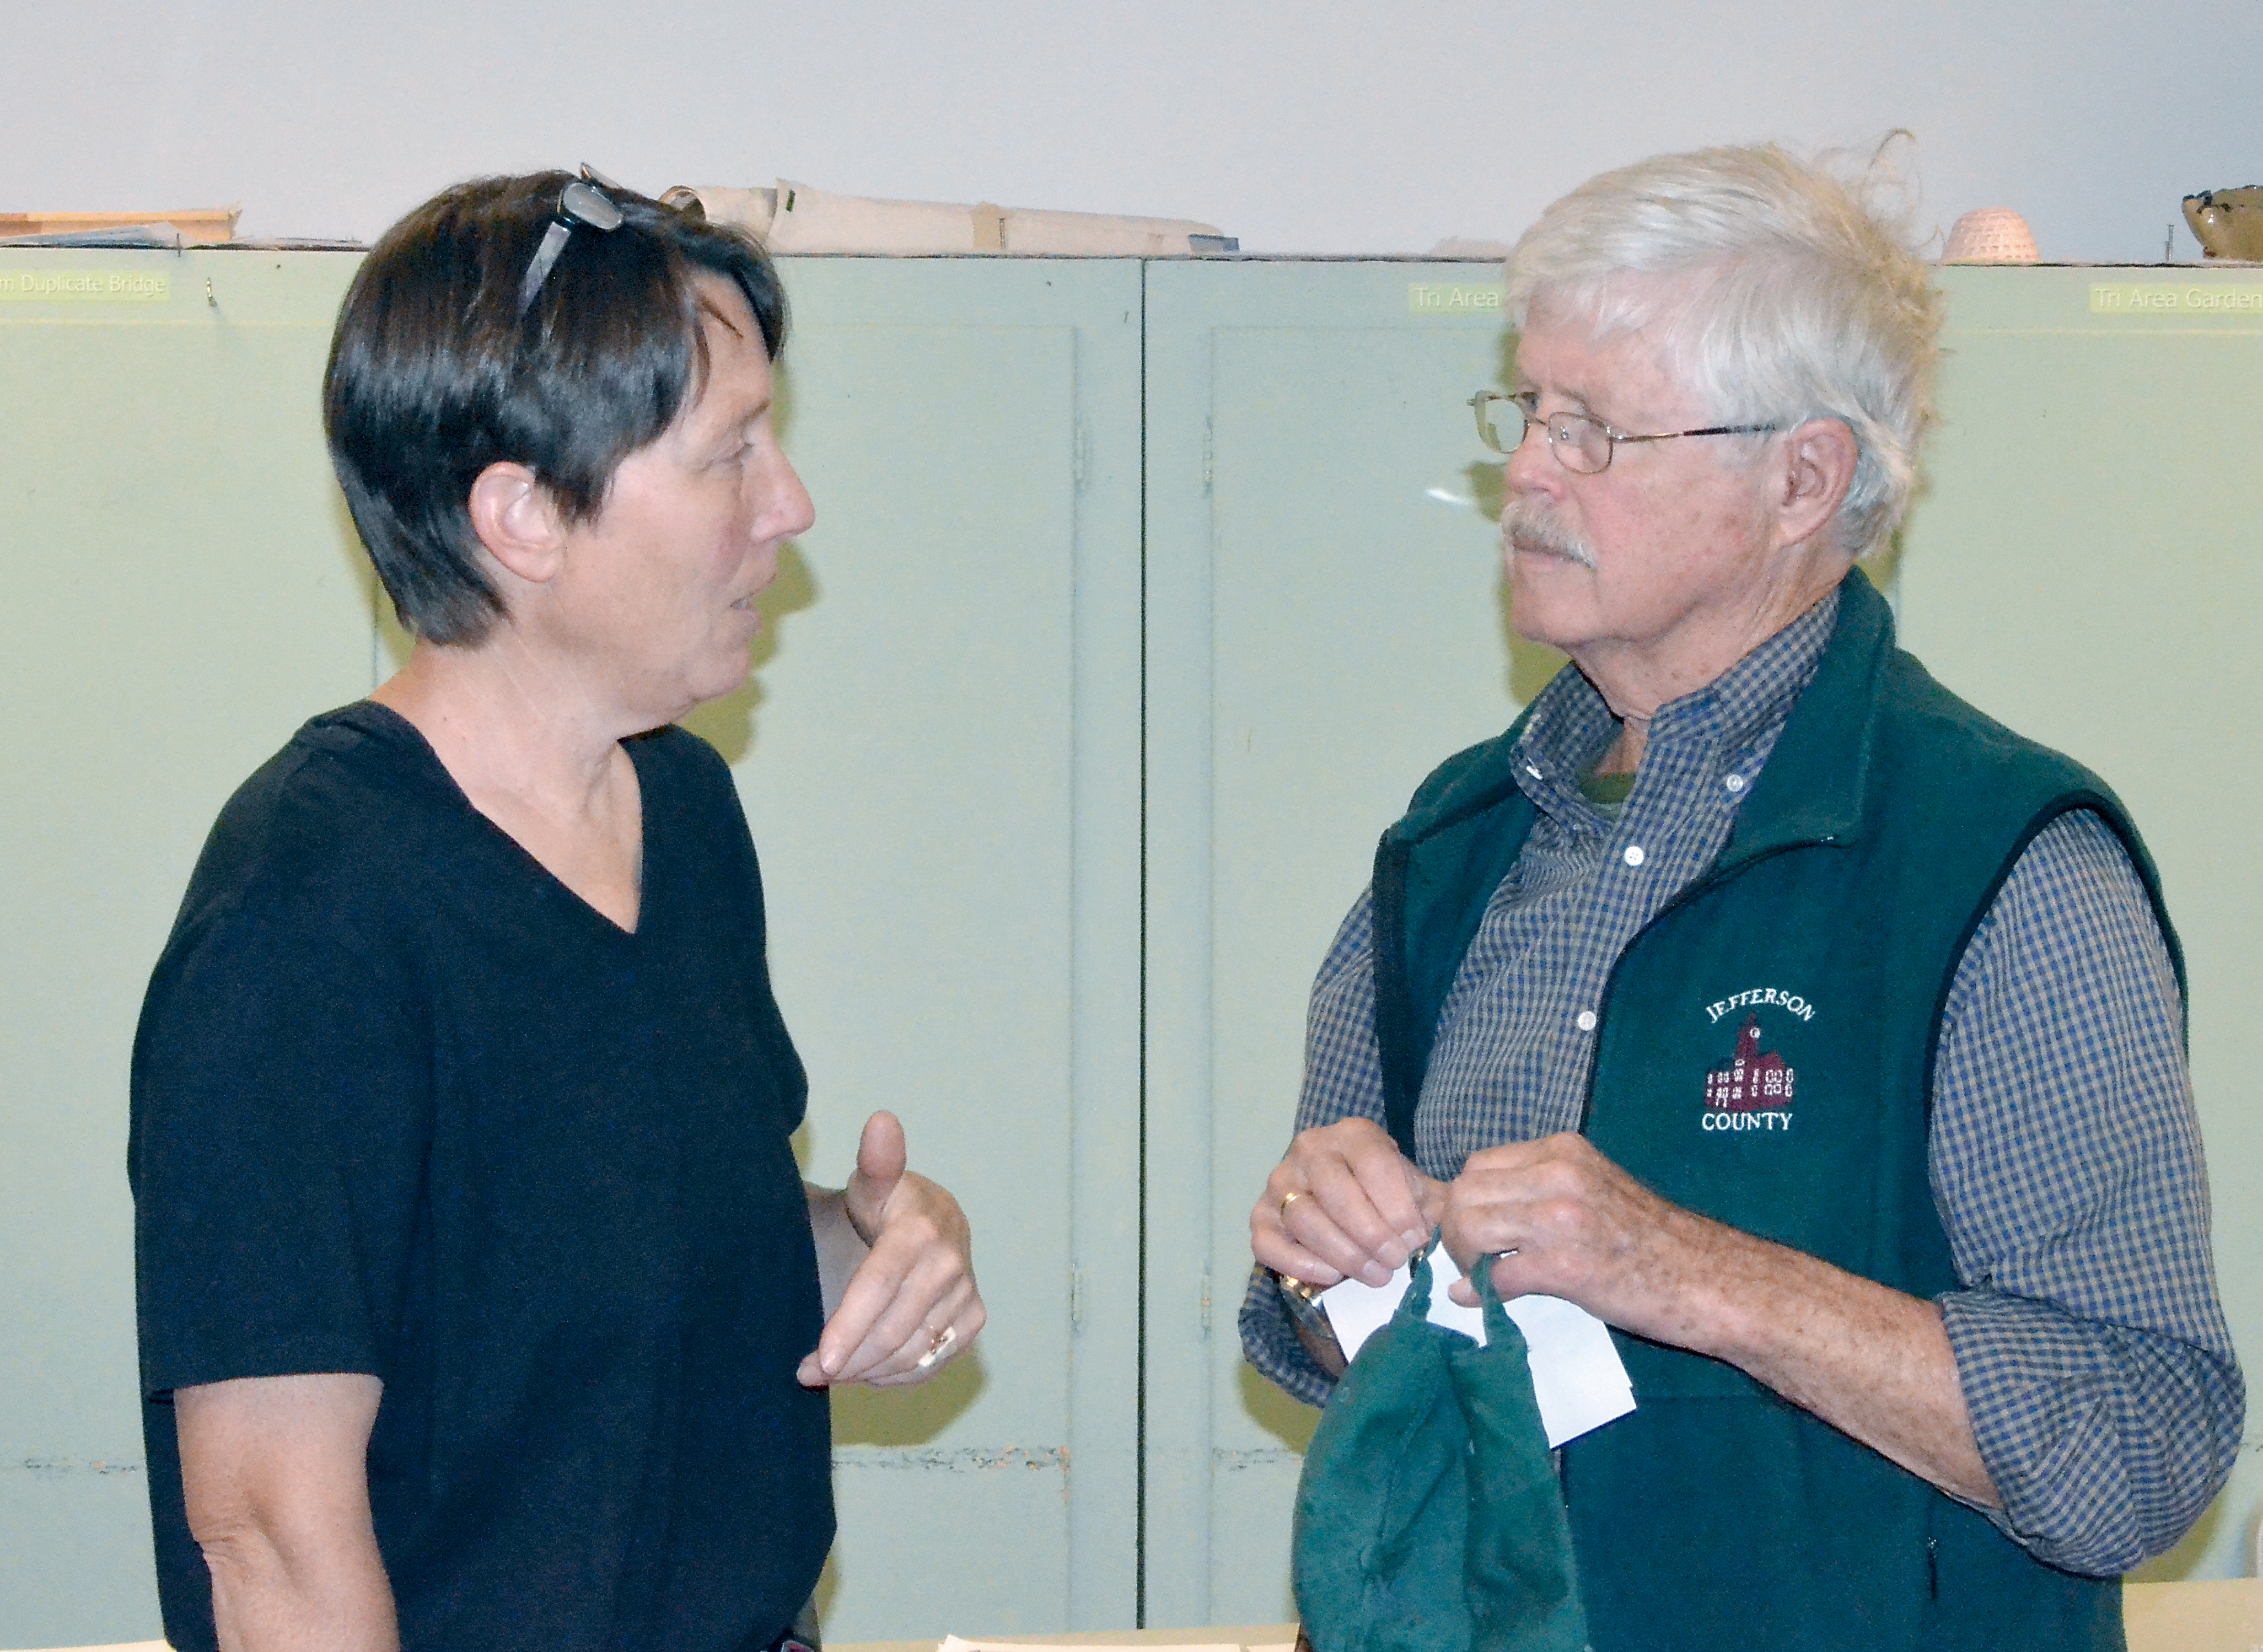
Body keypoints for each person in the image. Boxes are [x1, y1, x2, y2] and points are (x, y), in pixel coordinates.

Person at [1241, 144, 2241, 1651]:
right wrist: (1321, 1261)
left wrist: (1692, 1276)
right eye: (1527, 413)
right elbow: (1322, 1353)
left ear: (1801, 479)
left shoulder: (1998, 865)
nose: (1524, 473)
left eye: (1594, 432)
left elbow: (2137, 1445)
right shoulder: (1455, 847)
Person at [129, 169, 985, 1652]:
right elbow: (268, 1534)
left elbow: (608, 1256)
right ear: (522, 516)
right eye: (729, 455)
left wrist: (861, 1247)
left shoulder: (689, 819)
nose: (789, 505)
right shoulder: (311, 908)